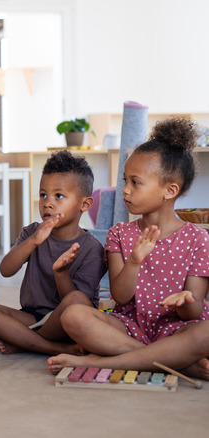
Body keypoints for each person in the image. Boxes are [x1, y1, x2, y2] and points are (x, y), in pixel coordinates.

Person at [47, 117, 209, 379]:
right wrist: (134, 260)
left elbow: (194, 311)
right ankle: (175, 362)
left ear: (169, 190)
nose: (125, 190)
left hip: (178, 328)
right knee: (73, 316)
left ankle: (100, 362)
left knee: (206, 333)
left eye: (136, 182)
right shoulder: (120, 233)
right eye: (125, 180)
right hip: (128, 326)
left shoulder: (199, 239)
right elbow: (120, 297)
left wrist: (185, 301)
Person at [0, 151, 105, 355]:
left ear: (84, 204)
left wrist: (61, 273)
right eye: (43, 194)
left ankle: (23, 340)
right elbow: (6, 270)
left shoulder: (92, 248)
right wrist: (33, 241)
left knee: (76, 302)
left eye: (59, 196)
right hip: (33, 317)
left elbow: (79, 306)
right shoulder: (32, 232)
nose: (48, 203)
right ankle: (51, 347)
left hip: (67, 322)